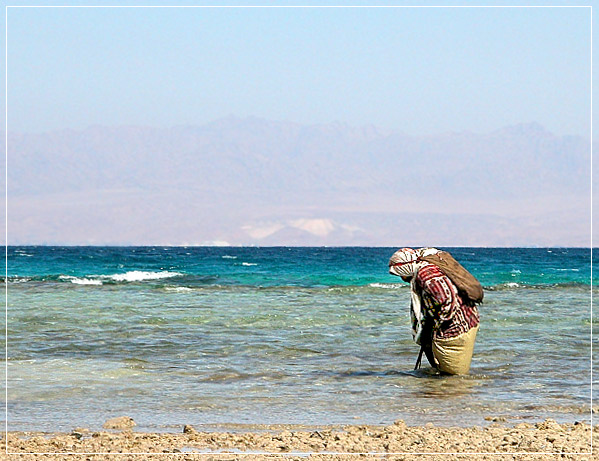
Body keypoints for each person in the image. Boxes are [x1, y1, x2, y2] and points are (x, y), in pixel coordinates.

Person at [388, 247, 480, 375]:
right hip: (466, 320)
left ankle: (451, 393)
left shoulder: (426, 275)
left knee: (453, 377)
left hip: (455, 329)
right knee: (445, 375)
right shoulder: (424, 270)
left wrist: (437, 327)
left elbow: (448, 300)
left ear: (405, 268)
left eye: (400, 274)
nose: (402, 278)